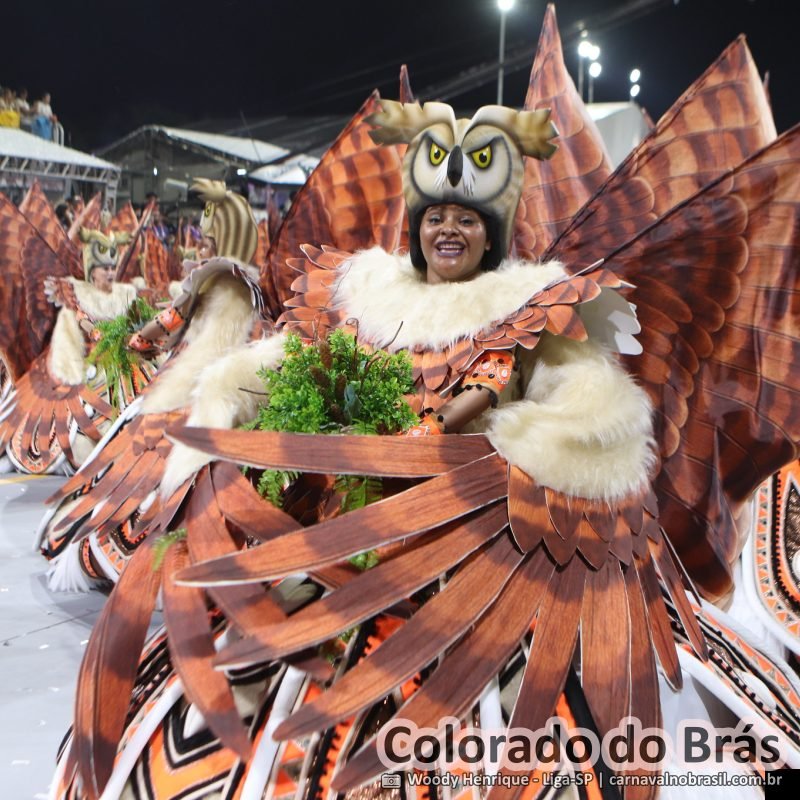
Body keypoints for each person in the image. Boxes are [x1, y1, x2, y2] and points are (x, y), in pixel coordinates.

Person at [48, 84, 800, 800]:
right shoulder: (359, 294)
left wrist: (503, 459)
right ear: (416, 222)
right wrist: (236, 411)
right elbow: (283, 362)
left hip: (482, 570)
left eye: (468, 218)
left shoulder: (536, 306)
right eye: (436, 213)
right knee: (235, 690)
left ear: (492, 231)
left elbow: (595, 415)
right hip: (335, 549)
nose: (450, 227)